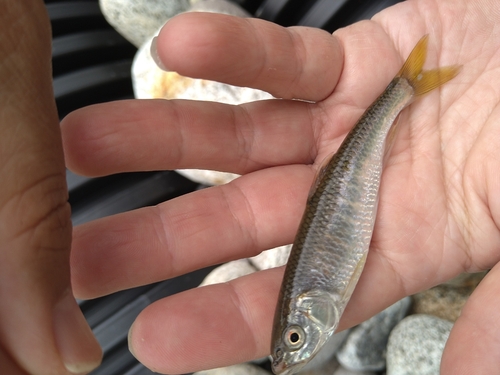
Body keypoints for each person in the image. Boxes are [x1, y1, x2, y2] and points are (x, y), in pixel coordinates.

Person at [1, 0, 499, 373]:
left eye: (298, 335)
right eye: (296, 338)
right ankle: (404, 89)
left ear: (306, 311)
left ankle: (403, 90)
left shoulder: (319, 292)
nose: (304, 342)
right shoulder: (324, 294)